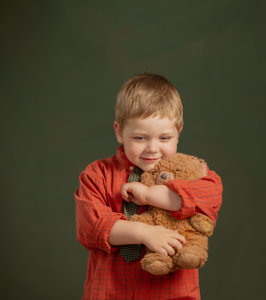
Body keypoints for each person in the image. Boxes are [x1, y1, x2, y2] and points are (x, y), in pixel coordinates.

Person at [74, 73, 223, 299]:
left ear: (178, 132)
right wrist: (144, 232)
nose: (152, 148)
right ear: (119, 131)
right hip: (111, 292)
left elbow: (207, 199)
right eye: (140, 138)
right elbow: (92, 226)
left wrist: (150, 196)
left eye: (164, 138)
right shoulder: (97, 174)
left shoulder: (193, 172)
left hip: (173, 293)